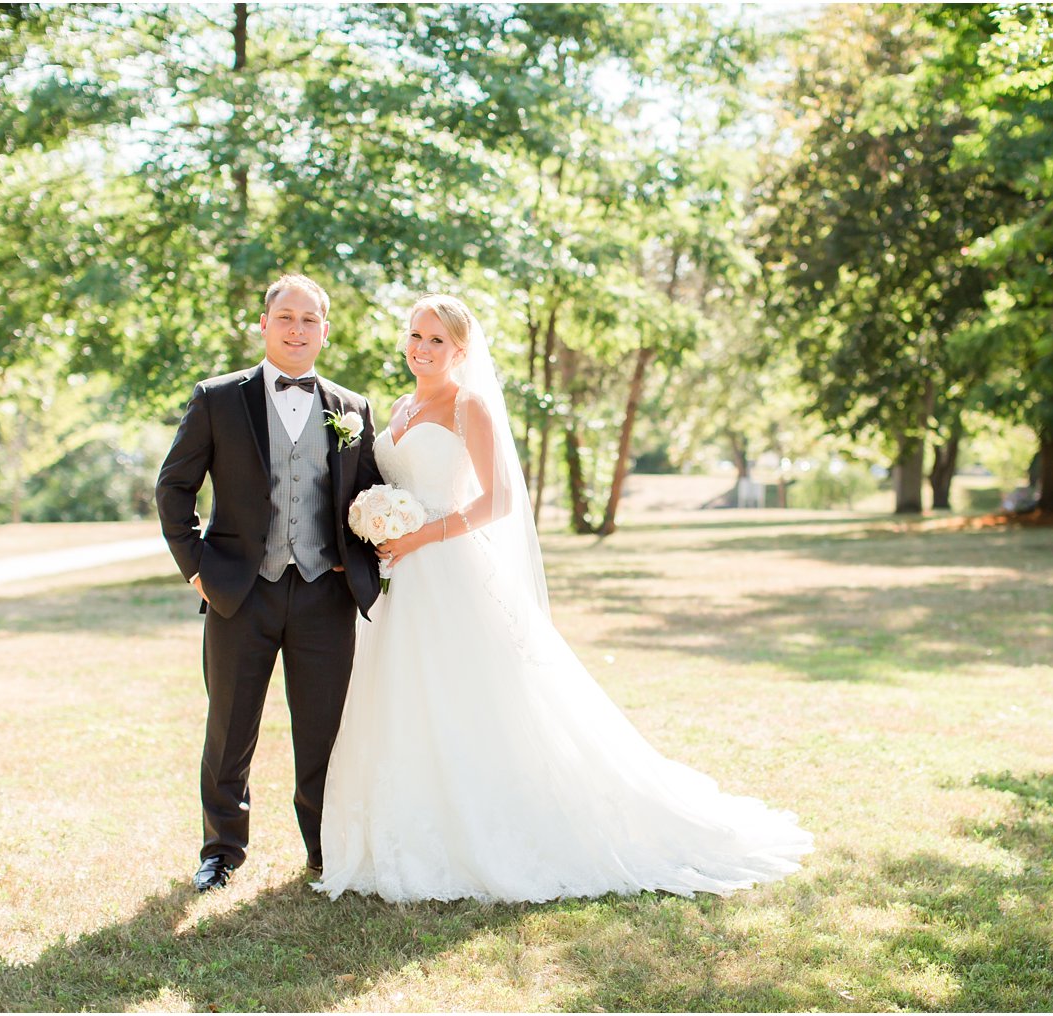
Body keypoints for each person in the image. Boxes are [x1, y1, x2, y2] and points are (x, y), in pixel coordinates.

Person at [312, 295, 812, 903]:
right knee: (403, 697)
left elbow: (496, 500)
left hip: (447, 569)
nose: (422, 347)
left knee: (468, 698)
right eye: (415, 334)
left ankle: (487, 829)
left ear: (461, 351)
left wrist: (420, 535)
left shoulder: (469, 408)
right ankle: (401, 830)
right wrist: (377, 524)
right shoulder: (397, 406)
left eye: (437, 340)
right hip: (400, 581)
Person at [156, 274, 383, 893]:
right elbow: (173, 486)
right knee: (230, 726)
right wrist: (197, 568)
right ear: (264, 324)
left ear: (325, 330)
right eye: (286, 317)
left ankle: (323, 848)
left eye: (310, 320)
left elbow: (368, 495)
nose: (297, 330)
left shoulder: (352, 407)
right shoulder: (217, 398)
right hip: (239, 591)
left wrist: (354, 558)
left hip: (322, 594)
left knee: (323, 728)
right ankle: (222, 851)